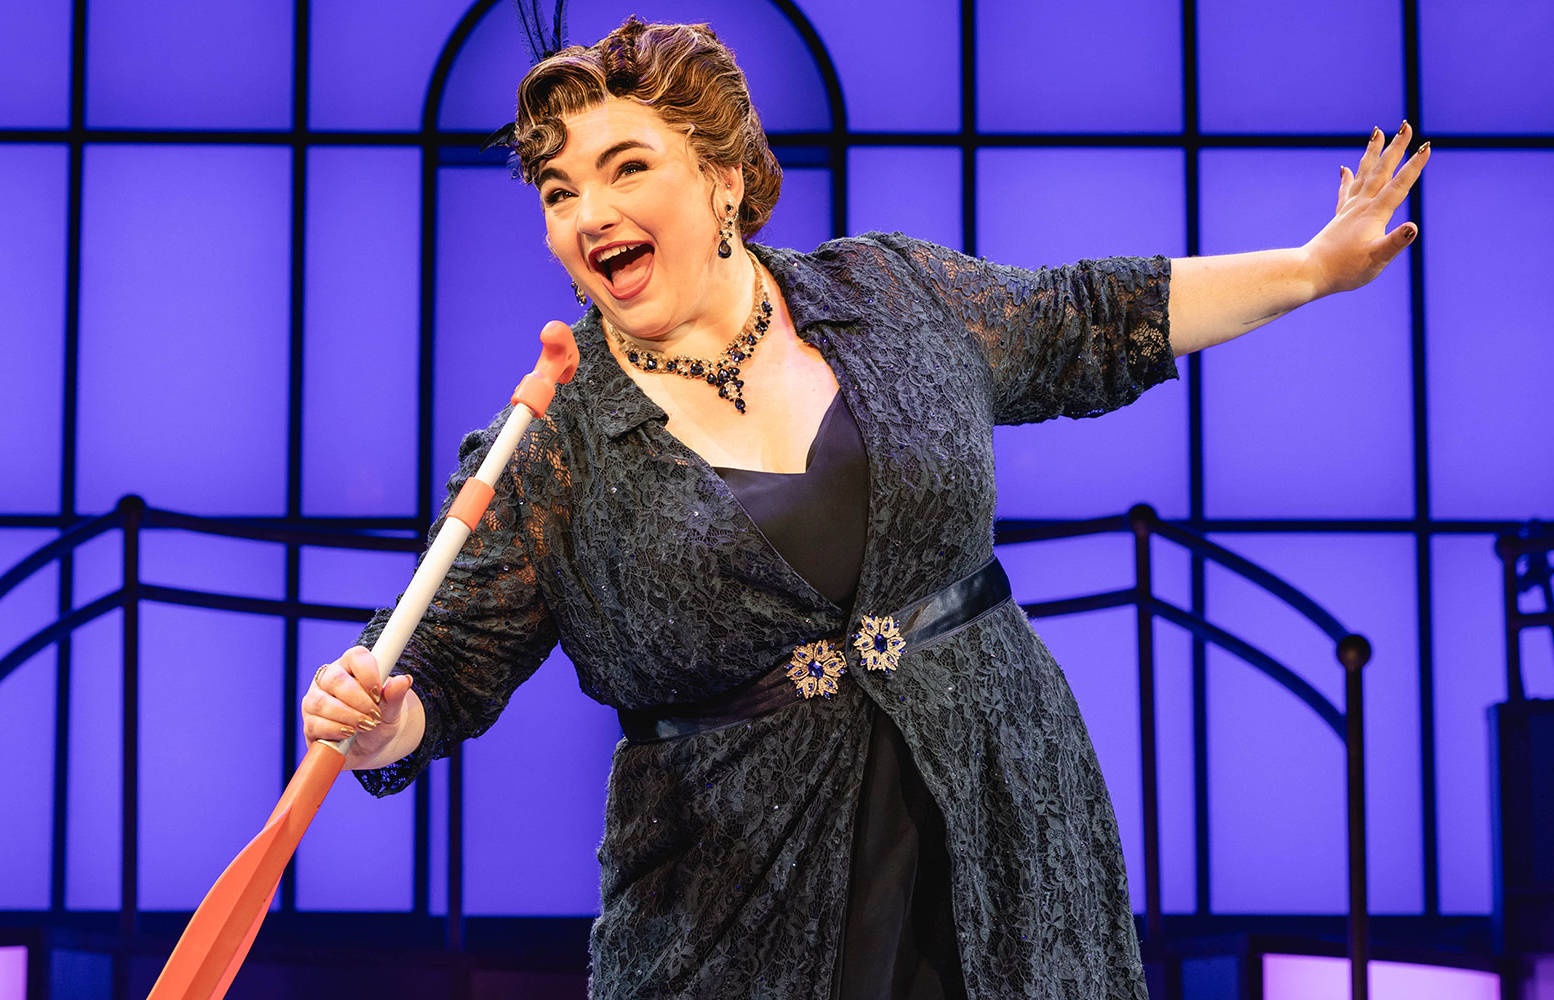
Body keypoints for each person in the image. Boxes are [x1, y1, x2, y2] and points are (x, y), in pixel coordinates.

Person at [300, 17, 1428, 1000]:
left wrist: (1313, 268)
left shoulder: (888, 296)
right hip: (735, 903)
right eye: (558, 191)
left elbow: (1088, 318)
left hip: (1002, 822)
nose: (586, 213)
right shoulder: (552, 437)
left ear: (721, 177)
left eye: (624, 167)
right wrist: (377, 717)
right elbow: (439, 666)